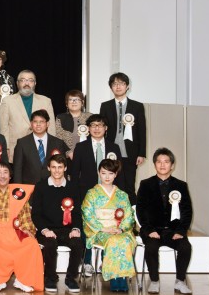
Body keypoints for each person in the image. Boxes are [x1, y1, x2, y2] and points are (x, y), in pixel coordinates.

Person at [0, 161, 44, 293]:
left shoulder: (18, 194)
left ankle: (24, 280)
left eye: (5, 172)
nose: (2, 176)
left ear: (10, 176)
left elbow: (25, 215)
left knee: (31, 244)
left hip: (15, 231)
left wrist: (28, 230)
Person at [137, 147, 194, 295]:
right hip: (152, 229)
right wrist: (149, 230)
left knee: (185, 247)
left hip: (173, 231)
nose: (162, 165)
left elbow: (187, 211)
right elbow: (140, 211)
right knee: (151, 247)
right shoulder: (145, 184)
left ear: (172, 165)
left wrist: (181, 231)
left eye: (166, 162)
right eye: (159, 162)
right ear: (154, 164)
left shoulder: (181, 185)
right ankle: (154, 281)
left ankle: (180, 281)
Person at [30, 154, 85, 294]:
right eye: (53, 167)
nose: (57, 171)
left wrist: (76, 228)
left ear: (65, 168)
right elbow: (36, 213)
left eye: (60, 167)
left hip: (67, 229)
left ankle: (71, 278)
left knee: (78, 243)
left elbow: (78, 212)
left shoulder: (73, 186)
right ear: (49, 168)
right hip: (47, 229)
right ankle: (50, 278)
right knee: (49, 244)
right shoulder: (41, 186)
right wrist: (44, 230)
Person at [82, 158, 136, 291]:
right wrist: (103, 228)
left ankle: (121, 278)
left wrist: (121, 228)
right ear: (99, 173)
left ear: (115, 174)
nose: (107, 177)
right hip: (100, 231)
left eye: (111, 173)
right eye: (104, 173)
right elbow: (87, 214)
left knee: (122, 240)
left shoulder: (122, 195)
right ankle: (113, 279)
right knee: (112, 241)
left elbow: (129, 215)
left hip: (118, 231)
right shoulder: (92, 194)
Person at [99, 72, 147, 201]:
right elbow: (102, 128)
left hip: (130, 152)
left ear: (127, 86)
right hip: (111, 151)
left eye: (121, 83)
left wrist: (141, 153)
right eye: (115, 84)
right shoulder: (105, 106)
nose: (118, 86)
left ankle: (130, 217)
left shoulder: (137, 106)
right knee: (111, 184)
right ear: (111, 87)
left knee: (129, 186)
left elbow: (142, 130)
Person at [0, 69, 57, 159]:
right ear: (17, 83)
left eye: (30, 80)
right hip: (15, 150)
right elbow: (4, 128)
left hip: (40, 149)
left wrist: (52, 147)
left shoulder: (46, 101)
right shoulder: (7, 101)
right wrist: (6, 148)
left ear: (35, 83)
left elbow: (51, 127)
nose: (26, 83)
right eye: (23, 80)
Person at [69, 114, 121, 202]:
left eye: (100, 125)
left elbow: (119, 173)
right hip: (86, 194)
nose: (96, 128)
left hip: (110, 193)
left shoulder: (114, 147)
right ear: (88, 128)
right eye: (93, 125)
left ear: (106, 128)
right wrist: (75, 195)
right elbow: (75, 173)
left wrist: (119, 193)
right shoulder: (80, 147)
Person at [12, 109, 67, 185]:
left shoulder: (58, 143)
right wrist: (18, 188)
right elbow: (17, 170)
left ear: (47, 124)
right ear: (31, 124)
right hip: (29, 187)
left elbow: (63, 168)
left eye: (41, 121)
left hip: (52, 187)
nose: (38, 124)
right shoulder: (22, 143)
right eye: (35, 121)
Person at [56, 89, 89, 157]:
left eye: (77, 99)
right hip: (67, 157)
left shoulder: (90, 117)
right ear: (66, 104)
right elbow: (58, 139)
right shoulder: (60, 117)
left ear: (82, 103)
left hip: (87, 155)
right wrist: (68, 152)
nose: (74, 102)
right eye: (70, 100)